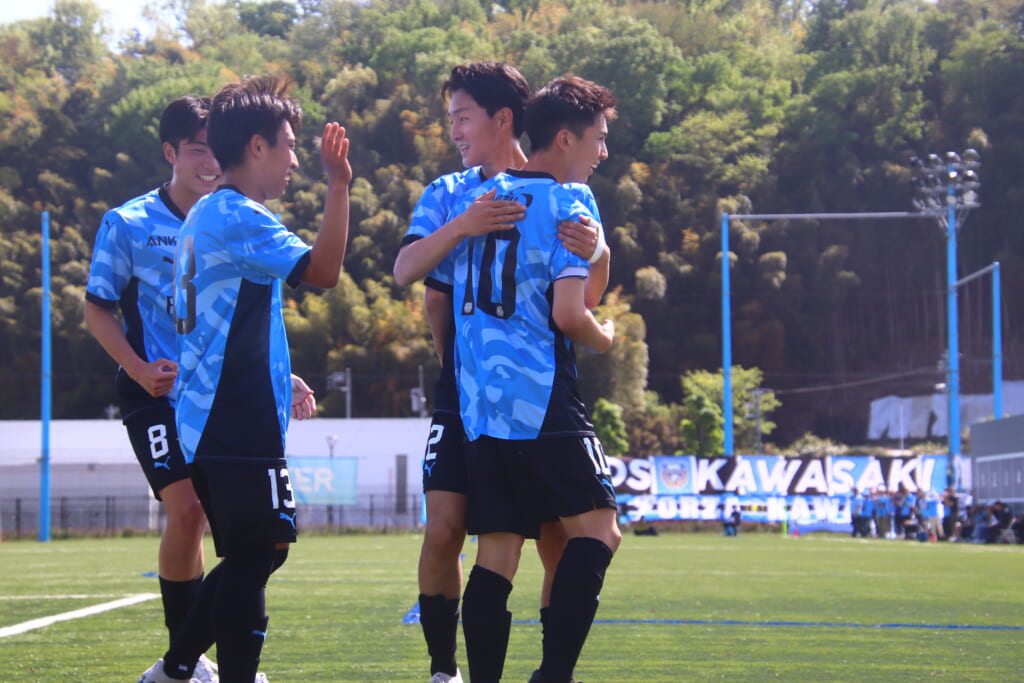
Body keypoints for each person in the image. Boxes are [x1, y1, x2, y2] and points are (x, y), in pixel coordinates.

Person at [392, 62, 609, 683]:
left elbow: (587, 284)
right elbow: (413, 276)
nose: (454, 130)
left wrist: (599, 249)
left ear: (505, 118)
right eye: (452, 119)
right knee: (452, 531)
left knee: (516, 543)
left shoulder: (552, 190)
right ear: (566, 137)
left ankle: (527, 670)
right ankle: (460, 669)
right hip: (502, 389)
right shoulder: (459, 194)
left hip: (495, 394)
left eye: (462, 117)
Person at [137, 75, 352, 683]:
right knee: (258, 552)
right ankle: (191, 670)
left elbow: (225, 318)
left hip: (216, 413)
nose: (295, 162)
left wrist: (284, 376)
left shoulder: (207, 212)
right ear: (257, 146)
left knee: (260, 551)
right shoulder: (236, 214)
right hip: (232, 416)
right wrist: (339, 185)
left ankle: (176, 667)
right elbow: (324, 271)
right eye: (289, 147)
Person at [85, 96, 222, 683]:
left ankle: (194, 662)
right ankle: (183, 664)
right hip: (152, 397)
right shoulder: (129, 223)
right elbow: (96, 309)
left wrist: (279, 372)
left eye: (218, 150)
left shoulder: (232, 219)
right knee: (187, 510)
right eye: (197, 150)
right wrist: (139, 368)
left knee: (219, 524)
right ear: (171, 152)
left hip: (216, 398)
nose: (210, 162)